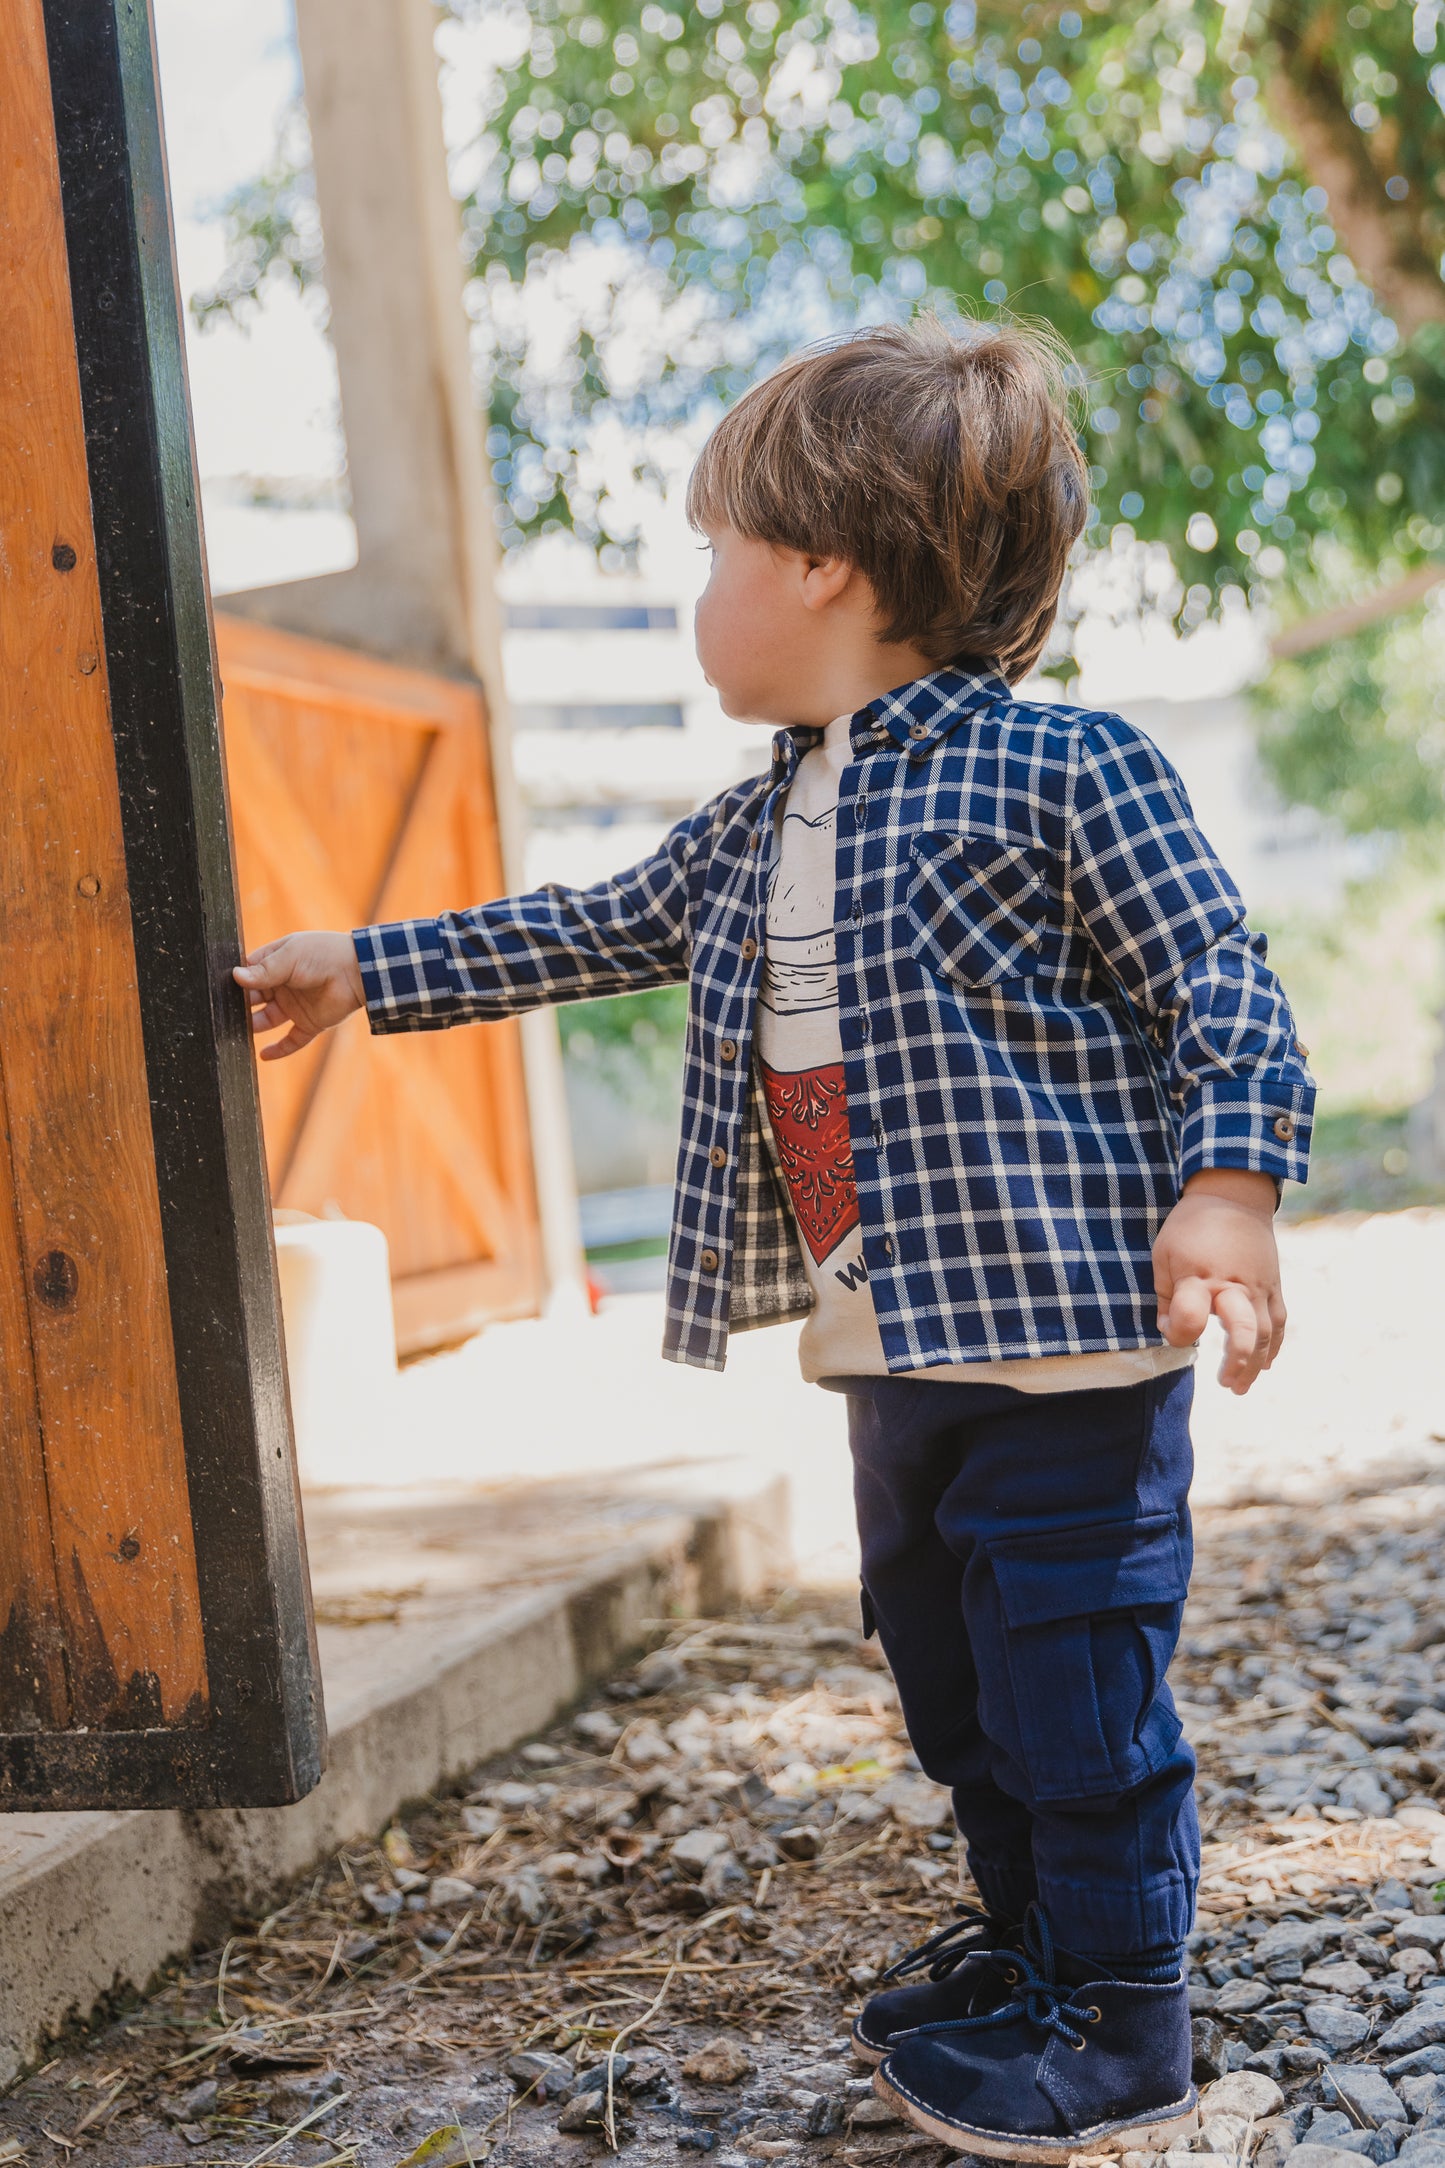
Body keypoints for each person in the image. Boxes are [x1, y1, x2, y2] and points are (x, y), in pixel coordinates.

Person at [234, 316, 1313, 2160]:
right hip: (889, 1351)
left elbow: (1214, 975)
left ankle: (1129, 2022)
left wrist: (1227, 1187)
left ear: (822, 563)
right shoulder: (758, 821)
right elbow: (584, 925)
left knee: (1072, 1682)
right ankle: (1036, 1951)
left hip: (1063, 1346)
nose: (702, 593)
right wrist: (366, 969)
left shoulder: (1063, 768)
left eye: (715, 550)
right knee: (947, 1671)